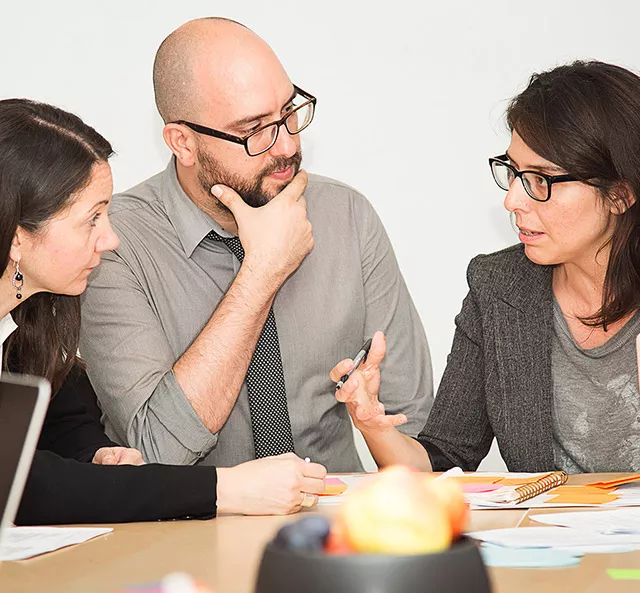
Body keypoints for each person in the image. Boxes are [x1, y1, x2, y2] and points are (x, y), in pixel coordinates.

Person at [79, 17, 433, 470]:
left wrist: (373, 421)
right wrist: (262, 272)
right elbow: (157, 450)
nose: (286, 145)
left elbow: (418, 432)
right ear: (182, 143)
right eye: (254, 130)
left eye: (288, 113)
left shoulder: (346, 216)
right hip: (185, 528)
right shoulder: (113, 244)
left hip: (333, 519)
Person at [0, 98, 326, 525]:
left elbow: (62, 418)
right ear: (18, 238)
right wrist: (222, 489)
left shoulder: (35, 316)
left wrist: (94, 454)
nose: (110, 238)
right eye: (92, 219)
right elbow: (23, 483)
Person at [332, 60, 640, 474]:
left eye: (540, 179)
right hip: (546, 538)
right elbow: (445, 460)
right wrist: (372, 424)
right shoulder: (497, 288)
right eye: (513, 172)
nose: (513, 200)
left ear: (620, 194)